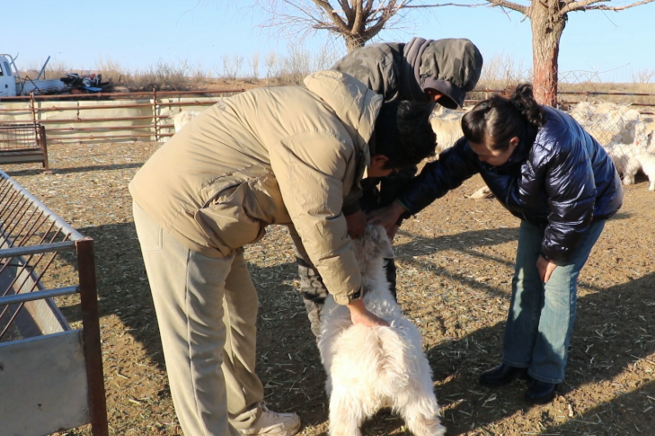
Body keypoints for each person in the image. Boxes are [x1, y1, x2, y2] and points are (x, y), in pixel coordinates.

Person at [129, 70, 437, 436]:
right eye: (388, 171)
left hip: (217, 212)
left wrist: (352, 202)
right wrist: (357, 307)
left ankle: (247, 417)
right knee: (197, 346)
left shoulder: (345, 113)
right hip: (182, 212)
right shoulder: (322, 141)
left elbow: (335, 175)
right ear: (382, 157)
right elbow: (319, 227)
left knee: (240, 312)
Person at [370, 84, 624, 405]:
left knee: (556, 284)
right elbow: (445, 172)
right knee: (525, 280)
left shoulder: (557, 145)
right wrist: (400, 207)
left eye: (484, 156)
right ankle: (515, 362)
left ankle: (546, 372)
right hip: (539, 208)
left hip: (586, 208)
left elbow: (574, 207)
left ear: (513, 143)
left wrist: (552, 254)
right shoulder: (485, 139)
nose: (478, 160)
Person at [293, 37, 484, 338]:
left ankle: (385, 338)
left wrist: (395, 212)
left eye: (445, 99)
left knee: (376, 255)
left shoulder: (424, 91)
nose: (436, 102)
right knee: (324, 259)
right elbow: (334, 149)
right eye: (437, 93)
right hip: (326, 180)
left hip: (369, 173)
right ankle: (337, 349)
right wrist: (351, 205)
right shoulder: (369, 71)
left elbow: (405, 156)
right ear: (426, 69)